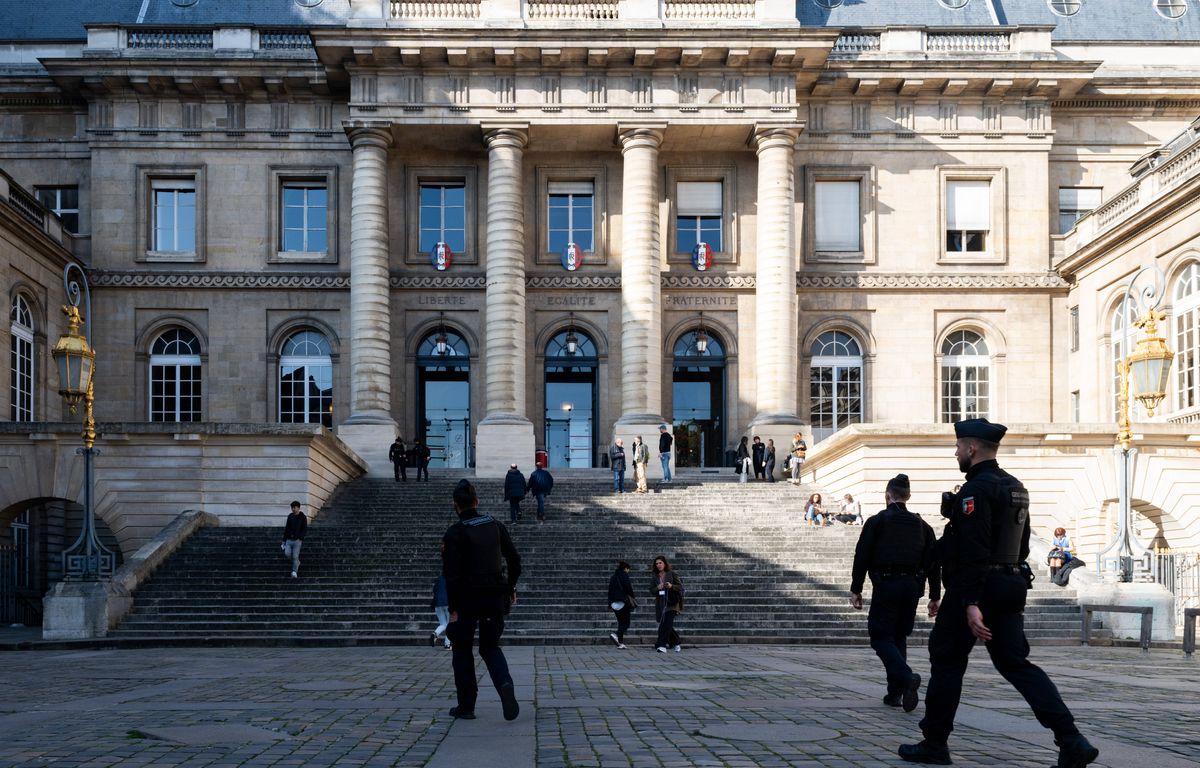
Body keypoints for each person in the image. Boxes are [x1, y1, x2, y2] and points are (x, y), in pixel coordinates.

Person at [899, 419, 1098, 767]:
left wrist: (971, 602)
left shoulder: (976, 490)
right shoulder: (1015, 486)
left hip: (975, 588)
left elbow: (975, 549)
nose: (956, 452)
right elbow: (1022, 546)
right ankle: (1071, 739)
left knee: (946, 661)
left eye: (959, 447)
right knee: (1016, 664)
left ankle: (934, 743)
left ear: (972, 449)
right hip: (1009, 584)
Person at [850, 474, 940, 711]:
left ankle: (906, 677)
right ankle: (895, 693)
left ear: (888, 495)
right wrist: (935, 595)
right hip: (912, 587)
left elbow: (862, 555)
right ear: (908, 496)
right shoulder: (923, 526)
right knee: (899, 636)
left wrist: (856, 589)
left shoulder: (877, 521)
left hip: (887, 584)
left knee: (880, 637)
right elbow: (933, 562)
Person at [442, 479, 522, 721]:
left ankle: (467, 706)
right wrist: (510, 587)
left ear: (455, 505)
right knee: (490, 647)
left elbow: (451, 575)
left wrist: (453, 609)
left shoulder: (455, 532)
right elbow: (515, 560)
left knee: (462, 649)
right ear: (477, 501)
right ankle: (505, 684)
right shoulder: (495, 525)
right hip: (493, 595)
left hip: (466, 598)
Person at [651, 555, 684, 653]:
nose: (658, 565)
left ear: (665, 563)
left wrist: (671, 586)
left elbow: (680, 587)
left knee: (666, 624)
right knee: (666, 625)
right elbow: (652, 590)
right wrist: (658, 587)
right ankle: (676, 643)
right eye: (656, 564)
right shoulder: (655, 577)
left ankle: (661, 645)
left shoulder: (672, 573)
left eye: (660, 563)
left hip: (672, 603)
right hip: (661, 604)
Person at [607, 560, 636, 648]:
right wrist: (632, 596)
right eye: (628, 569)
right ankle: (616, 634)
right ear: (626, 568)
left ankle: (620, 643)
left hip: (614, 603)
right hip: (623, 601)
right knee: (626, 623)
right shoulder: (624, 575)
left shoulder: (613, 577)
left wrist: (609, 604)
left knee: (621, 623)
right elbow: (628, 588)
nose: (628, 571)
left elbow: (609, 591)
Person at [281, 500, 307, 578]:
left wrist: (300, 537)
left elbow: (304, 528)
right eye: (292, 508)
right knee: (287, 553)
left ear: (298, 508)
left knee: (295, 556)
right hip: (289, 539)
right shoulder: (290, 516)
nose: (293, 509)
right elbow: (287, 528)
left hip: (297, 540)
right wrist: (284, 540)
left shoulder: (303, 517)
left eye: (294, 507)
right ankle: (297, 562)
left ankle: (294, 571)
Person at [430, 571, 452, 650]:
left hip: (437, 604)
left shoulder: (439, 579)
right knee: (450, 625)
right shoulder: (452, 579)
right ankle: (447, 644)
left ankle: (435, 633)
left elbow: (434, 590)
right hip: (448, 603)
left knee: (443, 623)